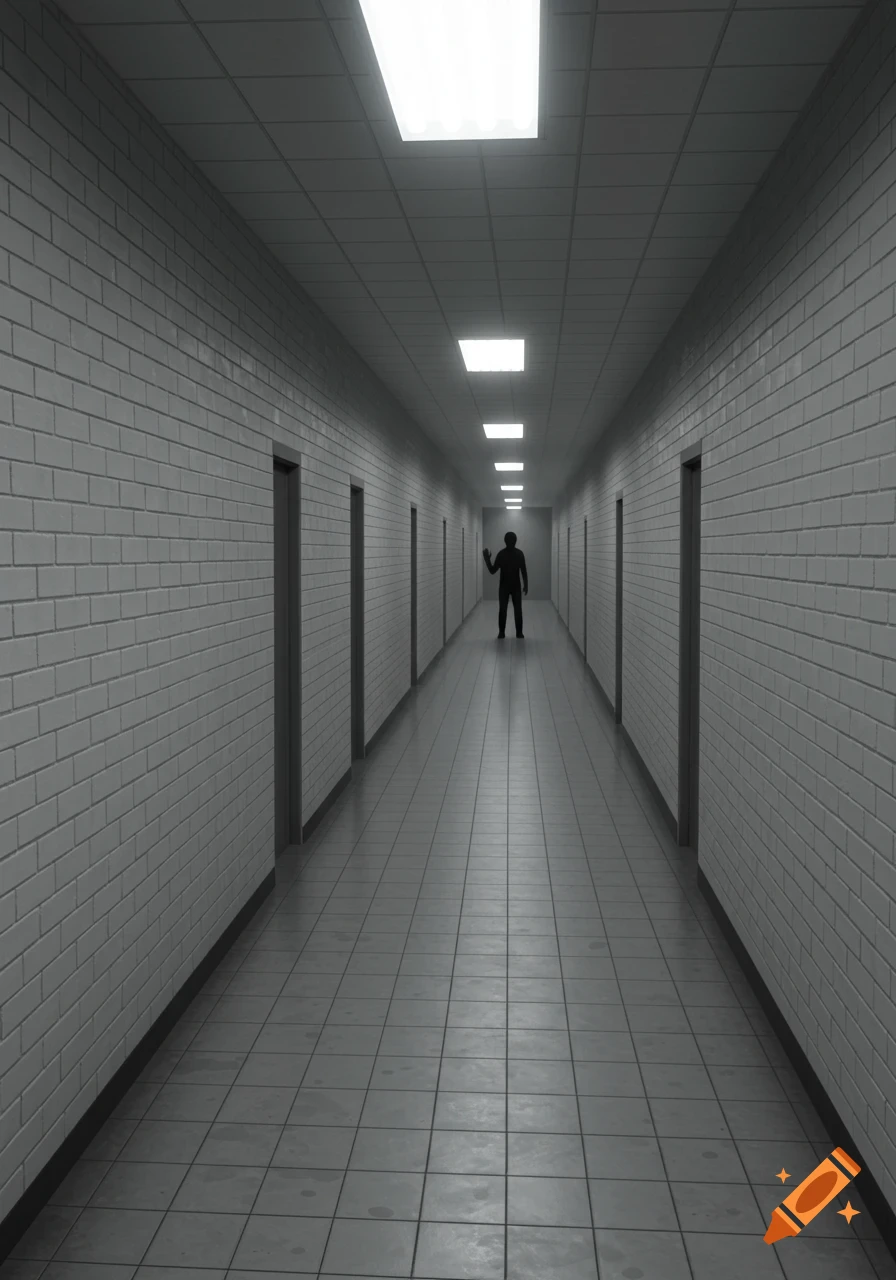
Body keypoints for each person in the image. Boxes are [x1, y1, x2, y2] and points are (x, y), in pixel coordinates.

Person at [483, 532, 528, 639]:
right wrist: (526, 585)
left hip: (504, 586)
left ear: (505, 541)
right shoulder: (519, 553)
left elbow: (492, 570)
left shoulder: (502, 554)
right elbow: (524, 571)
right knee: (517, 610)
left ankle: (502, 633)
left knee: (503, 610)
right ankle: (518, 633)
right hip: (514, 586)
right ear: (515, 540)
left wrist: (487, 559)